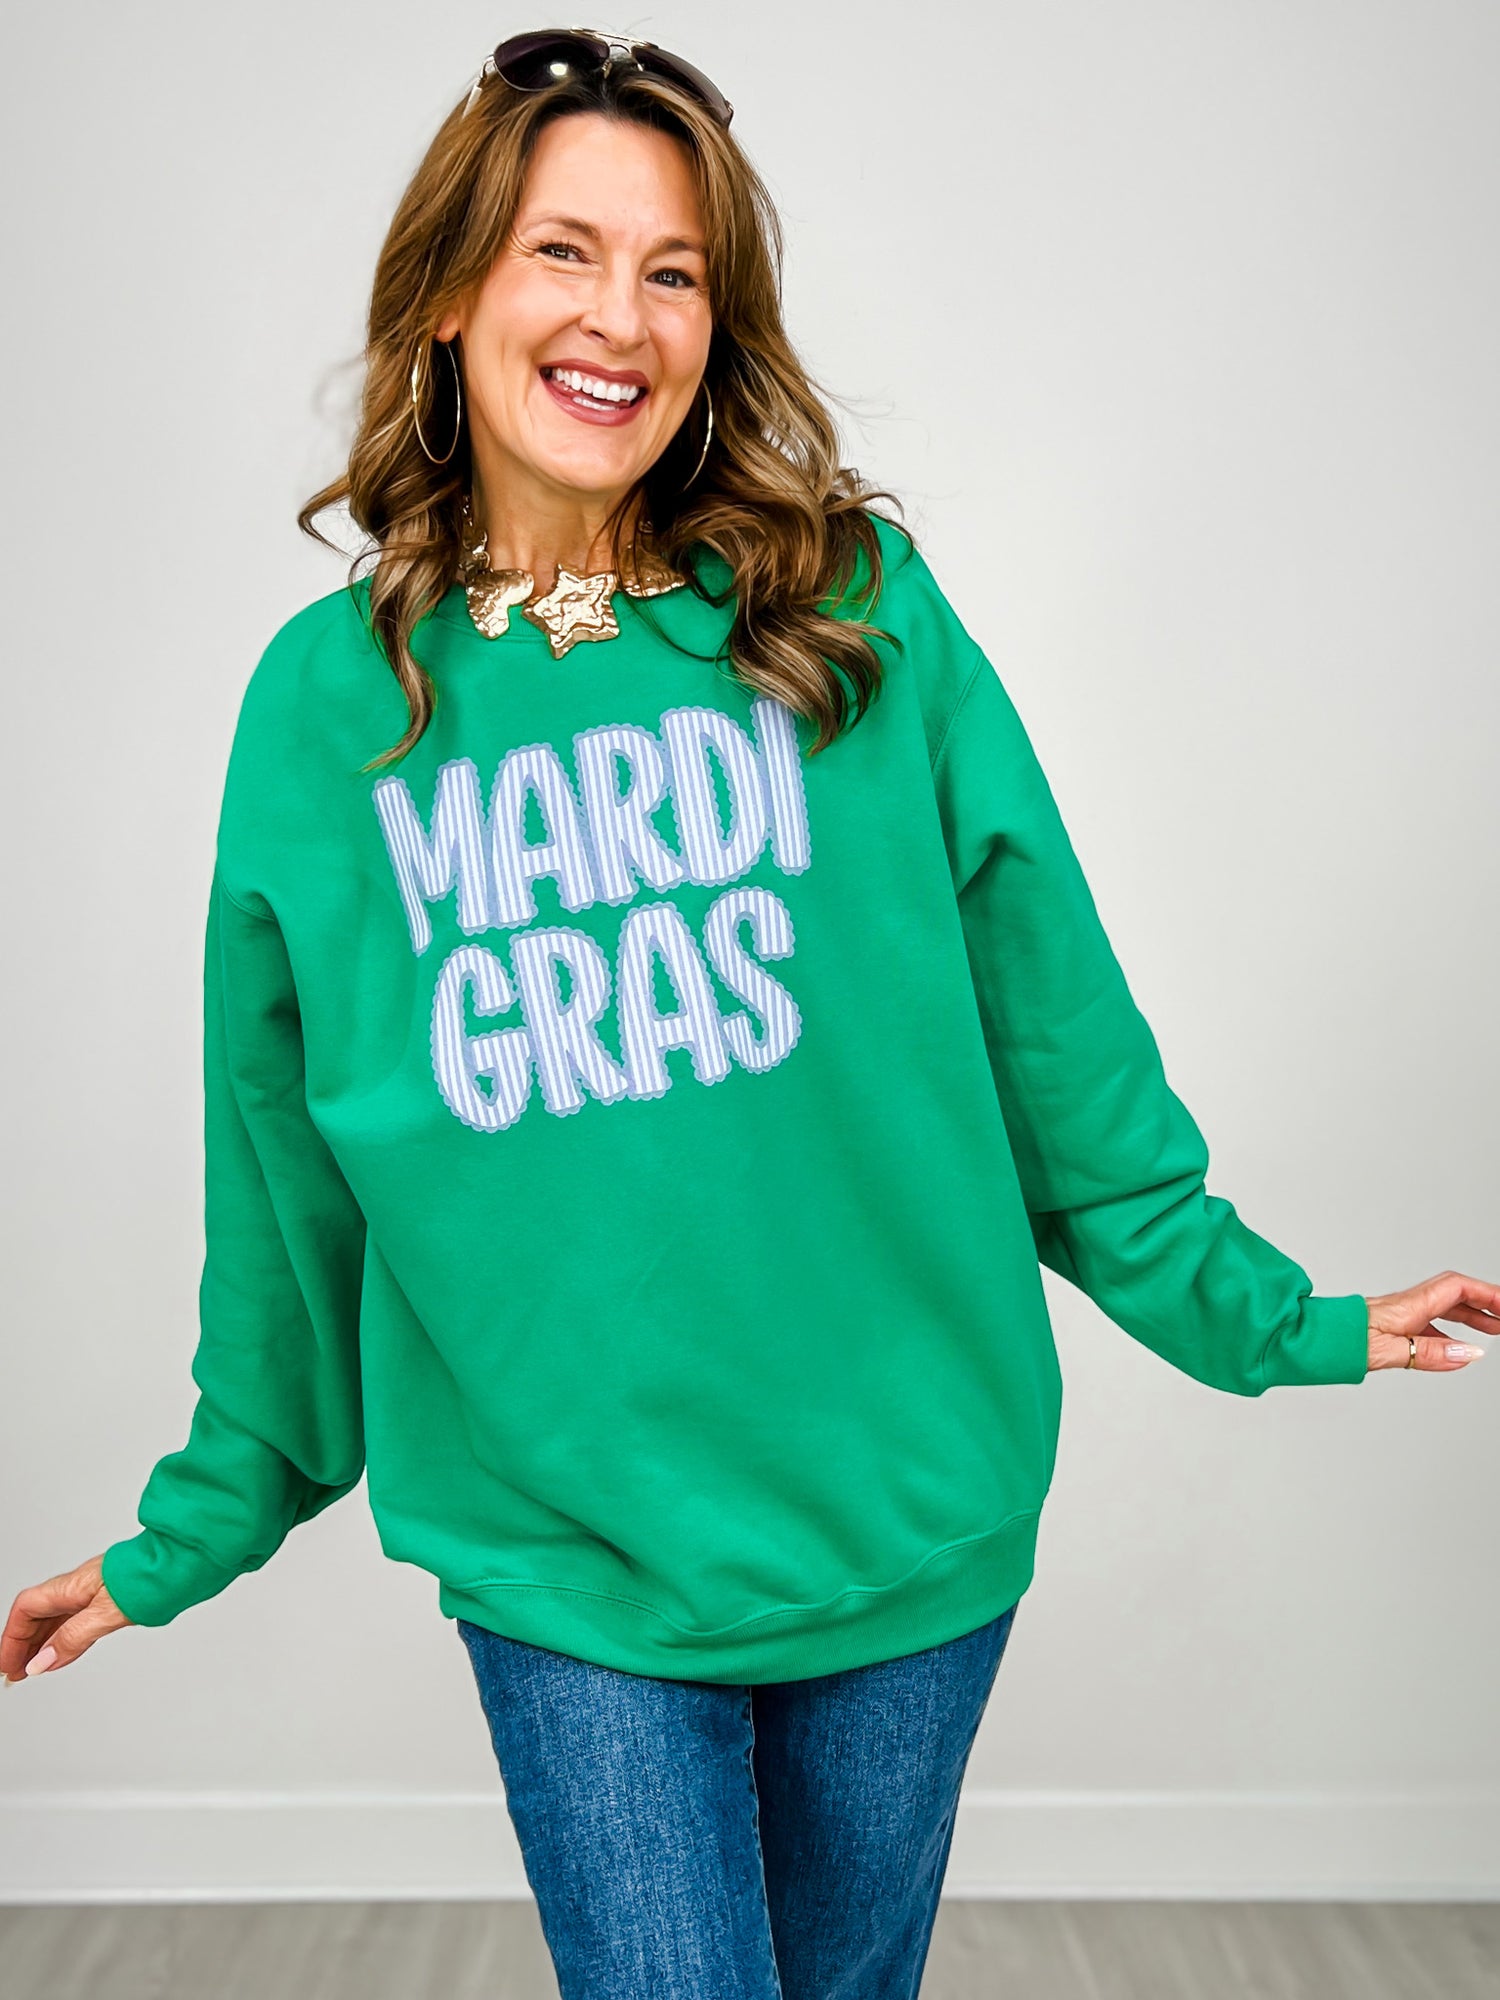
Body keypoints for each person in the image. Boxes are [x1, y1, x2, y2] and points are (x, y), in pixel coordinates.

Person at [4, 26, 1496, 1999]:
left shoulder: (854, 614)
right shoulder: (327, 712)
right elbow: (282, 1174)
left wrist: (1270, 1316)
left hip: (906, 1521)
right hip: (568, 1555)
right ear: (450, 293)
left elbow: (1052, 1035)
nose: (618, 318)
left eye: (675, 271)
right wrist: (191, 1529)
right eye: (561, 251)